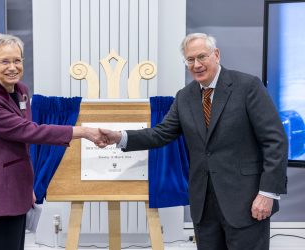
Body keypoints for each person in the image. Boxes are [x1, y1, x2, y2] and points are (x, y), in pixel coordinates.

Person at [99, 33, 288, 250]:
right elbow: (161, 133)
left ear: (216, 55)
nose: (196, 64)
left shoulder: (247, 86)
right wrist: (120, 137)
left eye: (202, 57)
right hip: (204, 207)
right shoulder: (184, 96)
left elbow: (275, 141)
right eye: (190, 60)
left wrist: (267, 193)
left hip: (247, 202)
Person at [0, 33, 104, 250]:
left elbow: (22, 145)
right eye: (5, 61)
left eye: (17, 60)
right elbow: (28, 131)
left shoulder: (21, 91)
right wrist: (83, 131)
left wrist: (25, 185)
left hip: (17, 191)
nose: (12, 67)